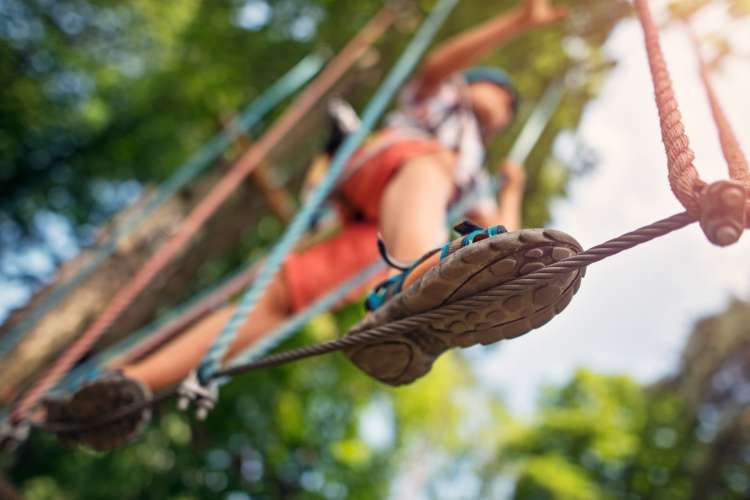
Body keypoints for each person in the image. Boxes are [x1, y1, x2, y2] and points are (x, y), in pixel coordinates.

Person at [46, 0, 584, 450]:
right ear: (476, 85)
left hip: (383, 237)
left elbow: (505, 242)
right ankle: (421, 278)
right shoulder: (442, 101)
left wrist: (511, 191)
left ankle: (126, 387)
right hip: (380, 172)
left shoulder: (479, 173)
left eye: (513, 108)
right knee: (433, 172)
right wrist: (519, 22)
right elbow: (439, 64)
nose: (507, 108)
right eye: (503, 95)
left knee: (284, 299)